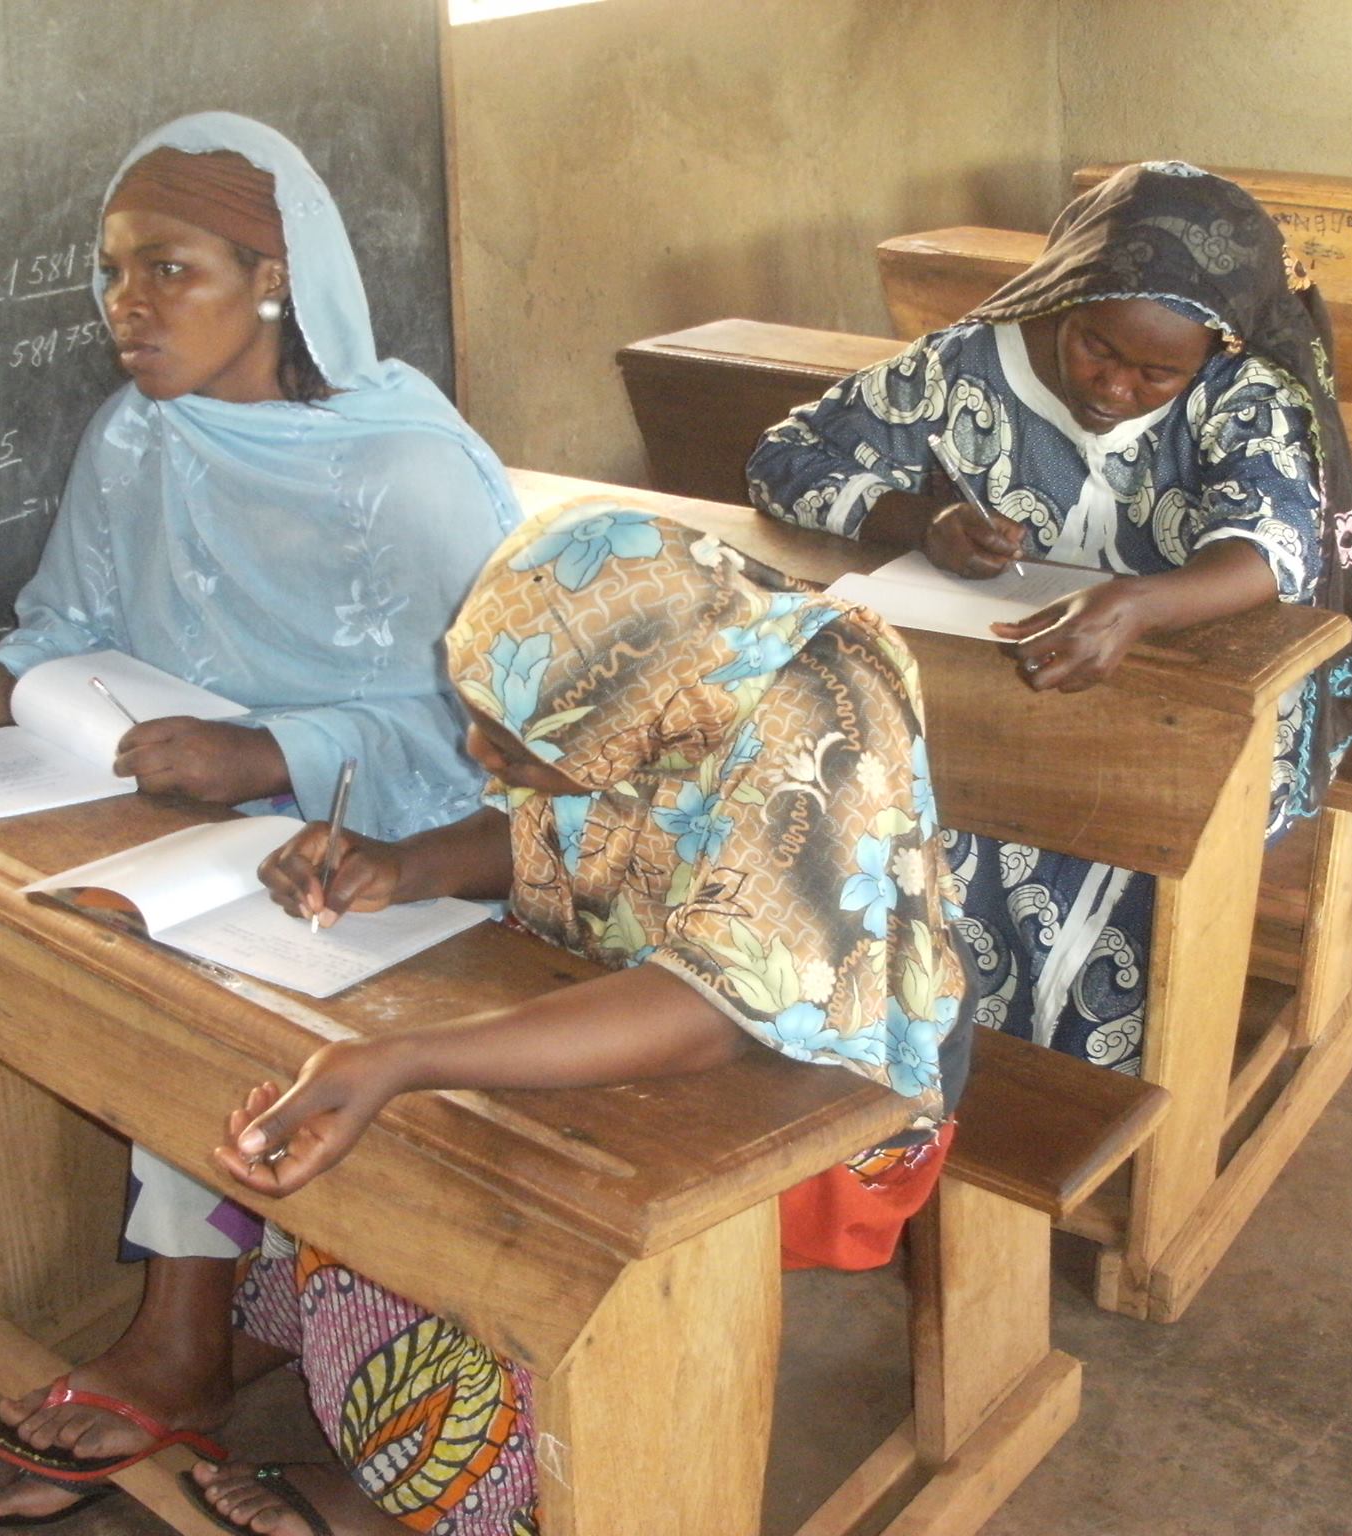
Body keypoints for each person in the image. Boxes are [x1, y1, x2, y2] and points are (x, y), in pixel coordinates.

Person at [0, 112, 522, 1525]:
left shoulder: (410, 472)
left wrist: (273, 747)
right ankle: (202, 1317)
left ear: (274, 277)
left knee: (200, 968)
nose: (125, 310)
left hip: (416, 864)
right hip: (197, 828)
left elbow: (515, 750)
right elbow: (75, 625)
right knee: (103, 936)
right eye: (111, 275)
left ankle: (190, 1336)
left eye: (169, 272)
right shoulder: (136, 438)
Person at [178, 500, 971, 1534]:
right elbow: (554, 830)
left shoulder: (817, 707)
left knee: (479, 1175)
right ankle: (382, 1425)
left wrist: (405, 1058)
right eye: (482, 723)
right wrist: (403, 864)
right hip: (642, 1007)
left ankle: (473, 1500)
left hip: (829, 1101)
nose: (478, 753)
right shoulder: (644, 679)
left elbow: (718, 1008)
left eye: (508, 745)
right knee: (418, 1124)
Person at [747, 160, 1352, 1074]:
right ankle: (922, 1055)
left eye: (1157, 372)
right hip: (997, 687)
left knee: (1091, 831)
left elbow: (1272, 549)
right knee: (885, 799)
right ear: (1067, 299)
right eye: (1096, 349)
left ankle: (1062, 1076)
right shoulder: (966, 362)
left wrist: (1141, 601)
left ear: (1212, 352)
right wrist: (918, 520)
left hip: (1195, 705)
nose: (1116, 388)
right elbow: (787, 456)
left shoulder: (1242, 395)